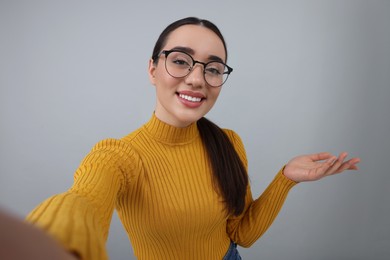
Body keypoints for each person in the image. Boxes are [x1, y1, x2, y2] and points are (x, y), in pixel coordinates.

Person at [24, 17, 360, 260]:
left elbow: (241, 234)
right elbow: (82, 201)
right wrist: (47, 242)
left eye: (213, 68)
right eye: (181, 61)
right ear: (153, 70)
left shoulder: (228, 142)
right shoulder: (119, 156)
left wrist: (285, 178)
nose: (197, 79)